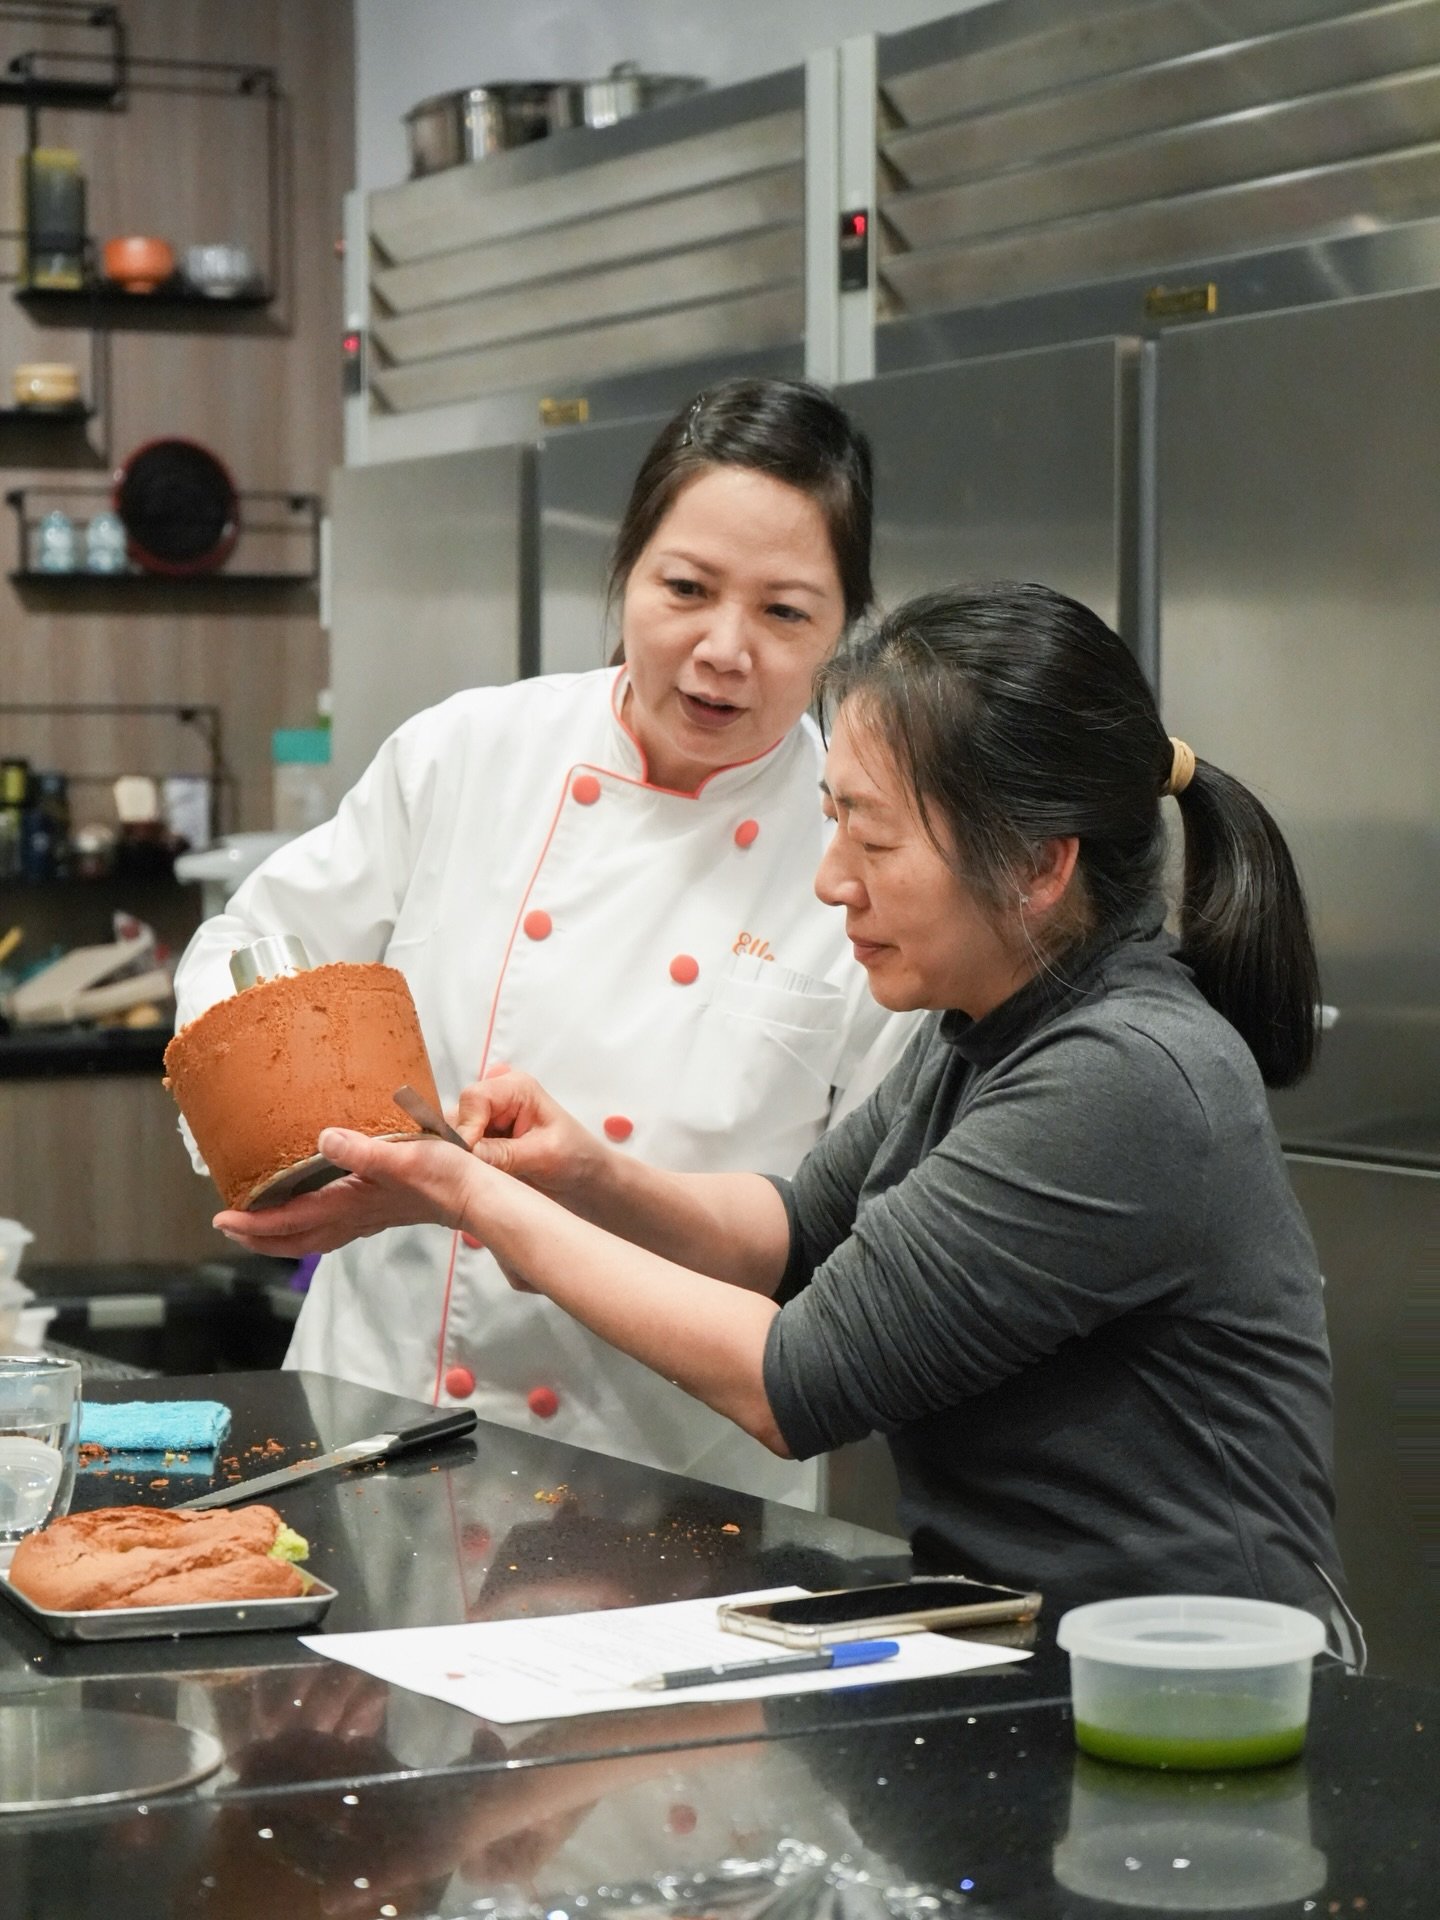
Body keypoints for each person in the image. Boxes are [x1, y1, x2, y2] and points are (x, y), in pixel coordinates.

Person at [222, 581, 1349, 1621]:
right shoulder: (985, 1022)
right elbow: (802, 1231)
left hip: (1199, 1671)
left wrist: (476, 1200)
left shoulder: (1124, 1074)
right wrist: (586, 1175)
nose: (832, 878)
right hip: (1026, 1632)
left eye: (875, 834)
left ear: (1040, 866)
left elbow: (794, 1377)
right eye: (831, 819)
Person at [173, 378, 916, 1507]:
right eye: (686, 588)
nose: (725, 649)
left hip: (674, 1477)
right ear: (623, 576)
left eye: (785, 613)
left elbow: (858, 1230)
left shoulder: (866, 845)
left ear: (843, 632)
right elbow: (258, 936)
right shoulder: (474, 753)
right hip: (377, 1423)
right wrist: (284, 1140)